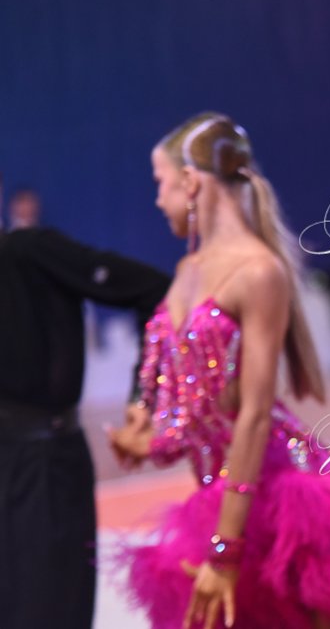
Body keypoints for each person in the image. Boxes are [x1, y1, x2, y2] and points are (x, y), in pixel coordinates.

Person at [110, 113, 330, 629]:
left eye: (160, 183)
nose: (158, 200)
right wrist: (150, 437)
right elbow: (197, 404)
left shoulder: (257, 272)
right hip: (216, 493)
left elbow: (252, 416)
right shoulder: (187, 272)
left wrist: (226, 548)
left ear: (190, 181)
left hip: (272, 492)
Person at [0, 179, 170, 629]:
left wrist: (143, 397)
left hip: (42, 471)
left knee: (46, 612)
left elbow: (154, 292)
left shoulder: (31, 252)